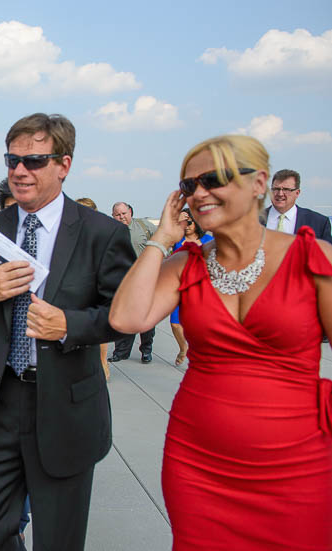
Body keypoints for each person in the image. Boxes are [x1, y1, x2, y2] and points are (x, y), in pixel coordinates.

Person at [109, 134, 332, 549]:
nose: (199, 193)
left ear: (259, 183)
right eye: (188, 186)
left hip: (297, 463)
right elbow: (126, 318)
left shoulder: (313, 258)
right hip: (198, 463)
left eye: (214, 179)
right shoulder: (184, 264)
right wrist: (160, 238)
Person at [0, 113, 134, 550]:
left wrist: (69, 324)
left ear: (63, 165)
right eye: (12, 160)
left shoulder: (102, 233)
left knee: (58, 539)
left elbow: (127, 316)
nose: (19, 171)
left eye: (33, 161)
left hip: (64, 404)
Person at [110, 201, 157, 364]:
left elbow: (162, 241)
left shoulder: (145, 226)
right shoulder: (111, 231)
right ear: (113, 216)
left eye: (124, 213)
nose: (121, 217)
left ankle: (146, 351)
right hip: (122, 282)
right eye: (117, 214)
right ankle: (121, 352)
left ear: (130, 212)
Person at [168, 208, 213, 366]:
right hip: (180, 286)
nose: (185, 225)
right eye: (182, 222)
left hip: (201, 287)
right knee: (175, 323)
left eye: (188, 222)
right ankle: (183, 347)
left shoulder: (208, 240)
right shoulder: (177, 240)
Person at [74, 197, 112, 381]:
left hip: (96, 287)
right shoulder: (70, 235)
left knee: (97, 327)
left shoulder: (101, 235)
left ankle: (102, 362)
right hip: (77, 288)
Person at [264, 169, 332, 243]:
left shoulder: (318, 223)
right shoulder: (254, 218)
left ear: (297, 193)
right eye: (276, 189)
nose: (280, 194)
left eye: (286, 190)